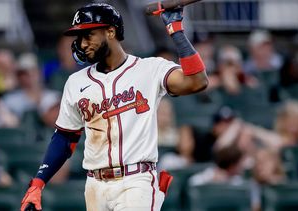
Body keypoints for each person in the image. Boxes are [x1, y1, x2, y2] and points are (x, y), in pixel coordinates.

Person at [21, 3, 208, 211]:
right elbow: (65, 137)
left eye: (88, 35)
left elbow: (197, 81)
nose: (82, 44)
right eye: (79, 37)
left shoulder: (149, 68)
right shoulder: (75, 82)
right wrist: (38, 182)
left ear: (110, 31)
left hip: (136, 181)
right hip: (94, 186)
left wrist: (176, 31)